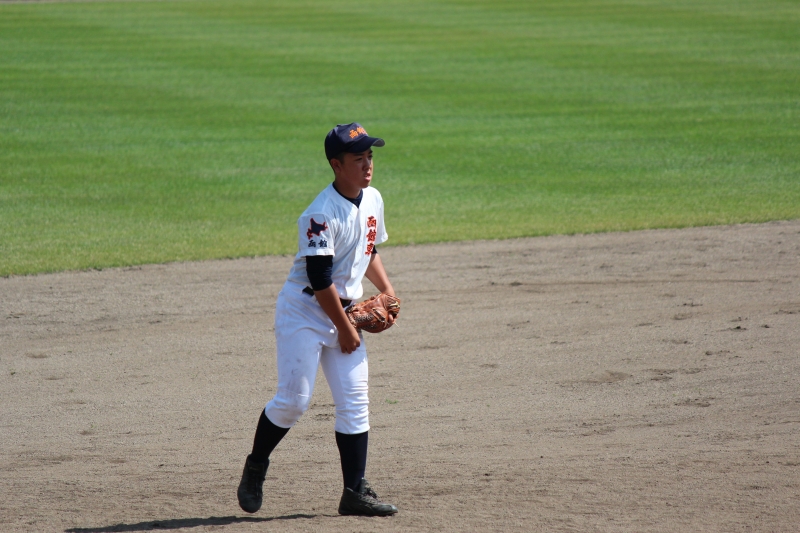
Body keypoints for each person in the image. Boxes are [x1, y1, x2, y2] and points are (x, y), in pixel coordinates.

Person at [236, 123, 399, 517]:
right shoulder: (320, 214)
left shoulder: (373, 198)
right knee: (294, 402)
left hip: (344, 311)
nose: (368, 165)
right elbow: (320, 278)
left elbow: (369, 249)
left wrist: (389, 291)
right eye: (358, 159)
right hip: (305, 312)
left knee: (355, 401)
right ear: (336, 165)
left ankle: (354, 492)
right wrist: (345, 330)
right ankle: (256, 465)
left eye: (370, 156)